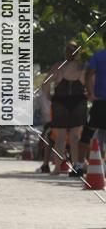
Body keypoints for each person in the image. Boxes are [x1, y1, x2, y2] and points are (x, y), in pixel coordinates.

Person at [41, 42, 87, 175]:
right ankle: (75, 167)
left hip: (60, 102)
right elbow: (90, 85)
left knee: (60, 138)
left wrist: (49, 95)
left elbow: (45, 84)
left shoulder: (58, 67)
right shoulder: (83, 68)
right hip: (78, 103)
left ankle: (57, 169)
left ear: (64, 53)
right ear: (78, 53)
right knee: (74, 137)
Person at [86, 45, 106, 157]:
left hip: (100, 100)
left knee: (96, 131)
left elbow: (88, 75)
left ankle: (98, 161)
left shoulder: (98, 55)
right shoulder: (98, 55)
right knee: (99, 133)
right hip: (100, 100)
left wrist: (91, 93)